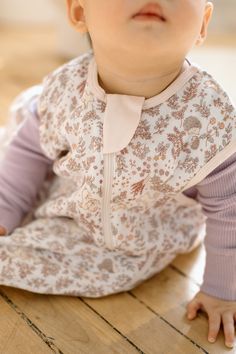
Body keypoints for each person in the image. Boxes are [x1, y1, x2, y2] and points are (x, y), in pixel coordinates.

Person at [0, 0, 235, 348]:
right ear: (79, 13)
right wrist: (6, 207)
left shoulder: (208, 118)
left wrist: (222, 288)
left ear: (203, 23)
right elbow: (30, 150)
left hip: (147, 230)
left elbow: (229, 207)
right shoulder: (66, 89)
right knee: (29, 129)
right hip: (81, 192)